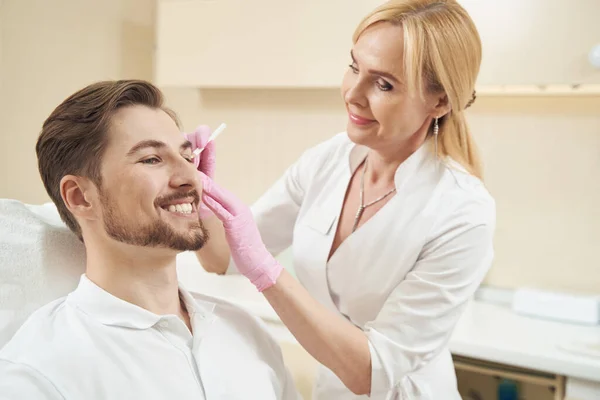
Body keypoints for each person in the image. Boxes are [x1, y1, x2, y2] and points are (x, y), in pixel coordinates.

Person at [196, 0, 496, 398]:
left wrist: (267, 272)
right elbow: (222, 257)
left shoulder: (462, 210)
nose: (353, 94)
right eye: (354, 67)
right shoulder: (328, 161)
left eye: (384, 84)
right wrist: (198, 193)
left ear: (439, 102)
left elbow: (371, 372)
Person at [0, 80, 299, 400]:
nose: (190, 178)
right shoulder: (39, 374)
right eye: (152, 159)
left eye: (188, 158)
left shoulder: (248, 333)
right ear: (80, 197)